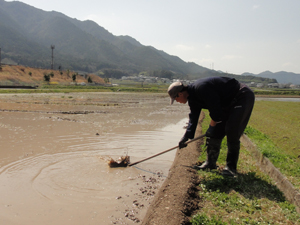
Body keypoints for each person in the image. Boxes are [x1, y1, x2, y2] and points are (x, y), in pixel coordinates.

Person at [168, 77, 255, 176]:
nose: (177, 101)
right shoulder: (192, 98)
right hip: (226, 103)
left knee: (232, 130)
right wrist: (186, 137)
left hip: (241, 97)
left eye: (176, 99)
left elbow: (216, 112)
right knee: (215, 133)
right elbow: (194, 117)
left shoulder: (202, 89)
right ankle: (210, 163)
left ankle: (231, 168)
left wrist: (211, 127)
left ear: (180, 94)